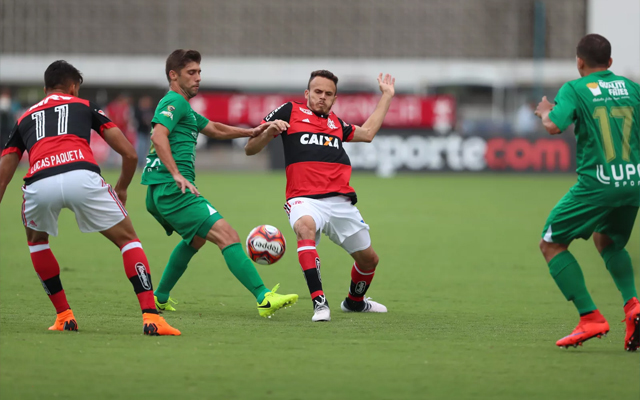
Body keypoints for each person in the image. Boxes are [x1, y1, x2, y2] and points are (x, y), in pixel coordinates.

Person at [0, 60, 180, 336]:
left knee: (37, 242)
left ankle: (64, 316)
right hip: (81, 175)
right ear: (73, 86)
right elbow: (130, 153)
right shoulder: (84, 106)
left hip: (39, 182)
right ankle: (151, 317)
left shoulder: (24, 117)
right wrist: (121, 188)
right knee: (128, 239)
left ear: (45, 87)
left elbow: (4, 173)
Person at [143, 49, 298, 317]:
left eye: (199, 72)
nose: (198, 78)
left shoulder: (184, 109)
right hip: (173, 188)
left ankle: (160, 297)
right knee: (228, 236)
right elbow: (159, 136)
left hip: (160, 190)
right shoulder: (174, 102)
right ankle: (264, 297)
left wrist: (251, 131)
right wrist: (177, 174)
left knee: (196, 240)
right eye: (191, 72)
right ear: (173, 75)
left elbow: (213, 128)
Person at [245, 70, 395, 322]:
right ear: (307, 93)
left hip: (340, 201)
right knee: (305, 227)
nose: (322, 97)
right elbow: (250, 148)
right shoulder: (289, 111)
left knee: (369, 260)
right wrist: (269, 130)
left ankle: (355, 302)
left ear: (334, 98)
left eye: (328, 94)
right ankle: (319, 302)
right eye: (317, 92)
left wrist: (387, 96)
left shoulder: (337, 123)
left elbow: (367, 133)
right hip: (304, 198)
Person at [535, 34, 640, 351]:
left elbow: (554, 126)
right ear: (609, 63)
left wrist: (544, 111)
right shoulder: (632, 88)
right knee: (606, 240)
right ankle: (633, 305)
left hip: (598, 183)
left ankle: (590, 317)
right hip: (633, 181)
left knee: (551, 243)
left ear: (579, 61)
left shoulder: (575, 88)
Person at [134, 95, 154, 169]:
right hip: (141, 132)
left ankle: (145, 164)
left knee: (148, 149)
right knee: (140, 149)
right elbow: (137, 120)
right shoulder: (138, 110)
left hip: (149, 132)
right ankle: (139, 164)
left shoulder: (151, 110)